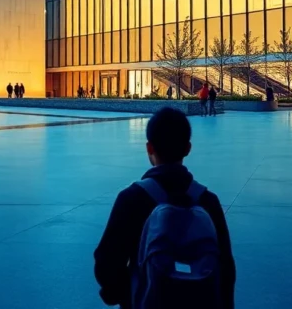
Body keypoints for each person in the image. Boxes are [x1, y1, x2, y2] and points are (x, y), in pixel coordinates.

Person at [94, 107, 236, 309]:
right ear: (188, 148)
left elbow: (106, 263)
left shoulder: (131, 199)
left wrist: (127, 296)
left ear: (149, 148)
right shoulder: (207, 201)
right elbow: (226, 270)